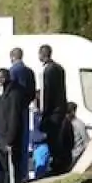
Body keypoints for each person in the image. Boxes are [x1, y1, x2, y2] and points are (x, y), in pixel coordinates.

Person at [0, 68, 28, 183]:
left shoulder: (14, 94)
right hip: (2, 138)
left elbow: (14, 118)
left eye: (2, 77)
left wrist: (10, 140)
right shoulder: (5, 94)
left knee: (12, 173)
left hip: (10, 141)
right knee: (6, 174)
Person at [39, 44, 69, 175]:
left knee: (53, 139)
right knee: (58, 138)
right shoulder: (60, 68)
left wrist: (44, 112)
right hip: (61, 108)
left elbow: (47, 93)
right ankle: (60, 163)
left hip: (52, 111)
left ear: (42, 54)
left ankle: (57, 165)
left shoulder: (48, 70)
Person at [9, 48, 37, 182]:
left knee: (14, 141)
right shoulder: (29, 72)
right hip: (25, 109)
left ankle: (15, 173)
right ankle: (24, 172)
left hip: (14, 110)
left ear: (12, 57)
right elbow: (32, 93)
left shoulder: (12, 72)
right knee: (24, 141)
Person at [67, 102, 90, 166]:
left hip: (77, 154)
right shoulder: (66, 124)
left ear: (73, 112)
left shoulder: (79, 124)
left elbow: (86, 141)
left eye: (68, 112)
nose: (66, 115)